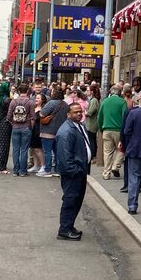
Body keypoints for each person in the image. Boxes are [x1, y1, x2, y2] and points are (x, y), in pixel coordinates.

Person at [55, 102, 92, 240]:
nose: (79, 114)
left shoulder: (79, 126)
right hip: (73, 173)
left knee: (76, 200)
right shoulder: (66, 131)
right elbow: (64, 157)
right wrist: (74, 171)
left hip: (80, 171)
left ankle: (69, 225)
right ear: (68, 114)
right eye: (75, 112)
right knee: (70, 200)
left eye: (80, 111)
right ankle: (64, 229)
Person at [98, 84, 128, 180]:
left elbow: (100, 117)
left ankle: (106, 173)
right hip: (119, 130)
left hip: (106, 129)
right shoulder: (122, 102)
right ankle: (116, 166)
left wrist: (101, 129)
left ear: (110, 92)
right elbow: (125, 117)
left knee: (107, 152)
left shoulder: (105, 102)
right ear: (120, 93)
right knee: (121, 149)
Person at [37, 85, 68, 177]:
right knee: (57, 151)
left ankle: (47, 170)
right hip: (60, 132)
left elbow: (42, 114)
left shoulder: (51, 103)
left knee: (47, 151)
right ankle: (57, 170)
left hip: (48, 131)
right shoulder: (65, 104)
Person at [7, 81, 35, 177]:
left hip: (15, 128)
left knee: (15, 149)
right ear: (27, 91)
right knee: (24, 150)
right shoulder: (30, 102)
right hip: (26, 127)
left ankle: (15, 170)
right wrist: (31, 127)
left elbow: (9, 116)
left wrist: (13, 123)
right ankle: (23, 171)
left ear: (18, 91)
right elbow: (32, 117)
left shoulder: (13, 101)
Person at [29, 92, 46, 173]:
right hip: (32, 130)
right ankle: (35, 165)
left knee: (38, 149)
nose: (36, 99)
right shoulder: (34, 107)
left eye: (38, 98)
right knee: (33, 149)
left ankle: (43, 165)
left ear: (42, 100)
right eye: (36, 98)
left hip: (38, 130)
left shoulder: (43, 109)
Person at [84, 82, 100, 159]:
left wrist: (85, 111)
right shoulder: (93, 100)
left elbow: (90, 113)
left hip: (92, 124)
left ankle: (93, 155)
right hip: (91, 123)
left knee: (91, 140)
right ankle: (93, 155)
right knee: (92, 139)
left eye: (88, 90)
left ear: (92, 92)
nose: (87, 92)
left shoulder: (94, 100)